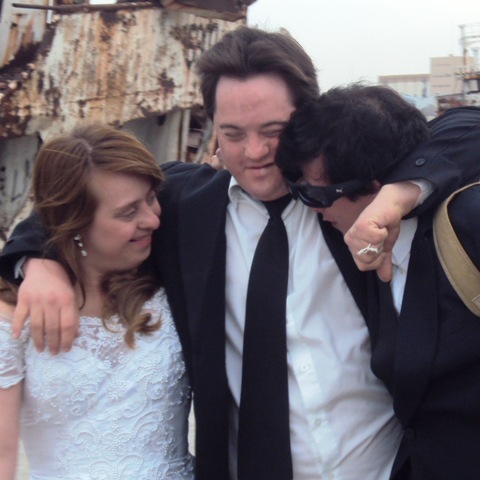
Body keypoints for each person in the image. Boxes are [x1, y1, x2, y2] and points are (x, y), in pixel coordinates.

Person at [2, 27, 480, 480]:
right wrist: (37, 262)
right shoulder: (182, 208)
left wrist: (399, 195)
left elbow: (464, 129)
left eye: (272, 130)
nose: (254, 152)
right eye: (233, 134)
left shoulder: (349, 200)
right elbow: (80, 203)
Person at [275, 83, 480, 479]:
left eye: (317, 195)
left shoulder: (465, 223)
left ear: (373, 186)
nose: (312, 209)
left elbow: (469, 124)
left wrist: (399, 194)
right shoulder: (366, 249)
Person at [0, 125, 194, 480]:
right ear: (74, 222)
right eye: (128, 212)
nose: (152, 219)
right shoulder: (12, 316)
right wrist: (33, 262)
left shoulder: (174, 278)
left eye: (151, 198)